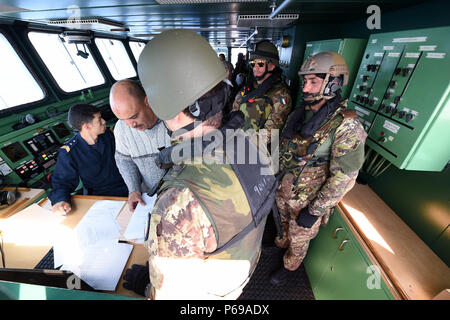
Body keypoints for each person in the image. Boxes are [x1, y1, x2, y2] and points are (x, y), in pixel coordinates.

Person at [136, 29, 277, 299]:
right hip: (241, 268)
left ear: (168, 108)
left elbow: (174, 295)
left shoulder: (178, 201)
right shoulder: (250, 141)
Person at [269, 51, 368, 285]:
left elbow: (344, 177)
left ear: (333, 83)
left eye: (313, 81)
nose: (306, 88)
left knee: (299, 237)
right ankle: (280, 243)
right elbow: (283, 146)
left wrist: (314, 211)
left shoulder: (347, 125)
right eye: (305, 81)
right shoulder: (301, 114)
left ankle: (290, 265)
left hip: (308, 200)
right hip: (284, 189)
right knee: (282, 226)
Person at [49, 104, 128, 214]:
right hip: (99, 197)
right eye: (99, 119)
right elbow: (62, 182)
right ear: (87, 126)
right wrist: (60, 200)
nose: (104, 121)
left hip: (125, 187)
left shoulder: (108, 136)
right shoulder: (70, 152)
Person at [109, 80, 171, 211]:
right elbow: (124, 160)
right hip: (151, 197)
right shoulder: (121, 128)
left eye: (134, 117)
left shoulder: (173, 117)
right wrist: (134, 189)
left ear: (147, 101)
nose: (131, 125)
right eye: (124, 120)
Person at [232, 40, 292, 142]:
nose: (255, 68)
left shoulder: (280, 95)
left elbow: (270, 133)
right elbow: (234, 114)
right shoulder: (248, 87)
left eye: (260, 63)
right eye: (252, 63)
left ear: (272, 65)